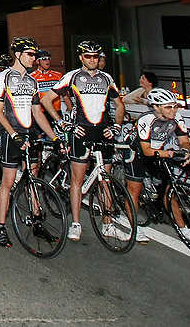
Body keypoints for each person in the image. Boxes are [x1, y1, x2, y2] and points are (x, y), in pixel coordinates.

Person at [52, 40, 126, 242]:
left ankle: (108, 224)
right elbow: (45, 100)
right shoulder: (72, 76)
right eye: (88, 56)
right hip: (81, 131)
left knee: (106, 180)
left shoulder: (107, 78)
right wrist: (64, 124)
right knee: (78, 180)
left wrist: (117, 126)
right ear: (81, 58)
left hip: (104, 131)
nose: (93, 60)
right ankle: (76, 223)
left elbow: (119, 105)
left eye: (96, 56)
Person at [0, 37, 61, 248]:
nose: (34, 59)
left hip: (28, 135)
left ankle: (37, 222)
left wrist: (54, 136)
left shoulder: (32, 81)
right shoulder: (3, 77)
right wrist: (13, 134)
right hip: (10, 135)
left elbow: (37, 112)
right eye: (30, 55)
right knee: (8, 181)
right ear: (18, 55)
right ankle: (1, 228)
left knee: (33, 176)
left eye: (35, 55)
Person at [122, 88, 190, 245]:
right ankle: (134, 229)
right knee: (134, 191)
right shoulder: (146, 119)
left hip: (158, 152)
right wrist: (171, 154)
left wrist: (185, 151)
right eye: (168, 107)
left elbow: (184, 140)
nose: (173, 110)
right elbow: (146, 151)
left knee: (169, 192)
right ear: (156, 107)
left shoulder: (177, 117)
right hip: (136, 153)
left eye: (175, 106)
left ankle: (184, 230)